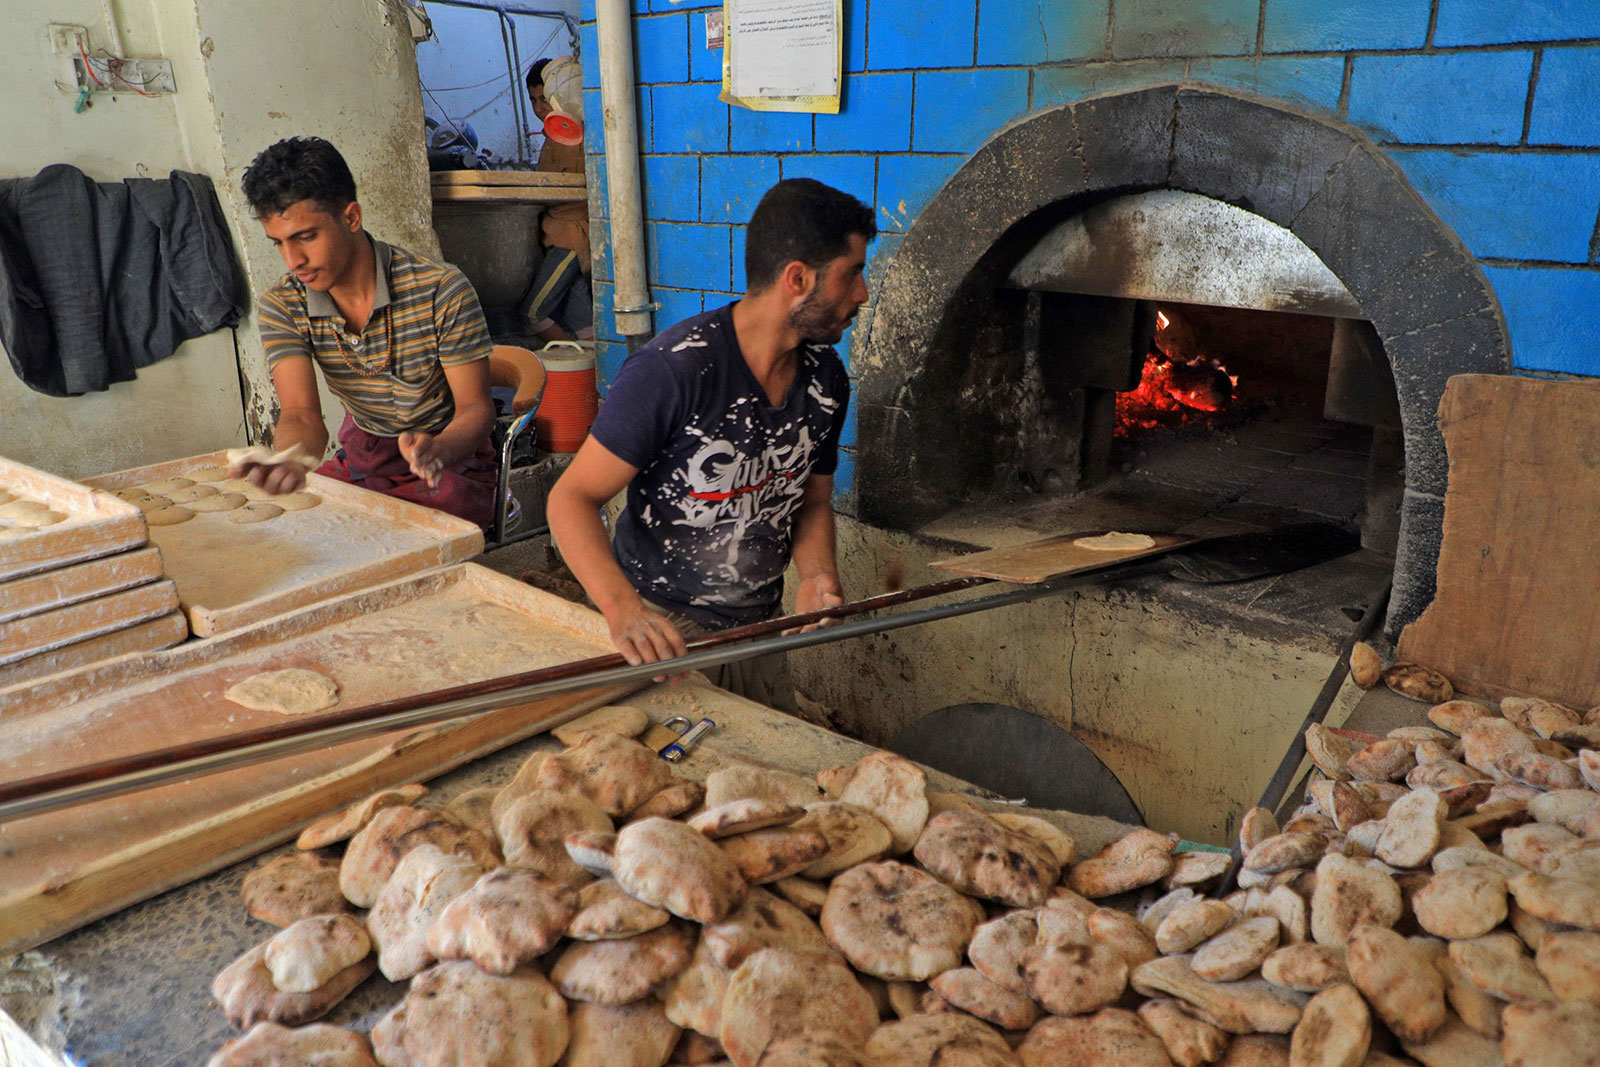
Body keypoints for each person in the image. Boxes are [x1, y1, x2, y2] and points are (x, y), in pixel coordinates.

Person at [546, 179, 875, 711]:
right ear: (798, 279)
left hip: (759, 635)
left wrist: (817, 576)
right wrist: (623, 611)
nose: (861, 293)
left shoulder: (826, 379)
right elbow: (570, 498)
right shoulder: (674, 370)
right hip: (660, 638)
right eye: (853, 273)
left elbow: (811, 501)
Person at [234, 136, 500, 527]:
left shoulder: (440, 289)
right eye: (279, 243)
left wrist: (437, 450)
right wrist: (289, 459)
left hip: (448, 463)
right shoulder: (284, 304)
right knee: (303, 528)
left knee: (419, 536)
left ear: (351, 217)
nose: (294, 261)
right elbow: (302, 413)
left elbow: (477, 411)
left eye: (306, 237)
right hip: (365, 455)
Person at [519, 58, 593, 344]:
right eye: (533, 100)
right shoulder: (554, 136)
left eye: (544, 98)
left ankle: (572, 368)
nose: (540, 107)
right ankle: (586, 376)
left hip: (570, 238)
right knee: (582, 322)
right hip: (558, 233)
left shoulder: (575, 133)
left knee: (532, 314)